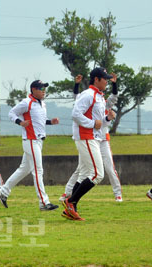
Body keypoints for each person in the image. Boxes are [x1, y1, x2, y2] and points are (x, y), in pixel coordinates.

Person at [0, 79, 60, 211]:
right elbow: (11, 113)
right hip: (30, 140)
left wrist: (50, 122)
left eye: (44, 88)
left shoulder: (42, 103)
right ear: (34, 90)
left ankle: (3, 191)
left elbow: (39, 121)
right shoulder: (27, 102)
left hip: (38, 141)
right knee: (38, 171)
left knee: (24, 169)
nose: (43, 91)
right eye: (41, 88)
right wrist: (20, 122)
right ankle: (43, 202)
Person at [62, 68, 116, 221]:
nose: (107, 81)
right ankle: (71, 202)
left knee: (85, 173)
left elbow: (100, 123)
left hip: (93, 137)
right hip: (86, 137)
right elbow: (75, 115)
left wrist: (108, 119)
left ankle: (71, 208)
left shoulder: (99, 96)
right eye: (105, 79)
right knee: (98, 174)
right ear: (97, 79)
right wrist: (93, 123)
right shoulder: (88, 95)